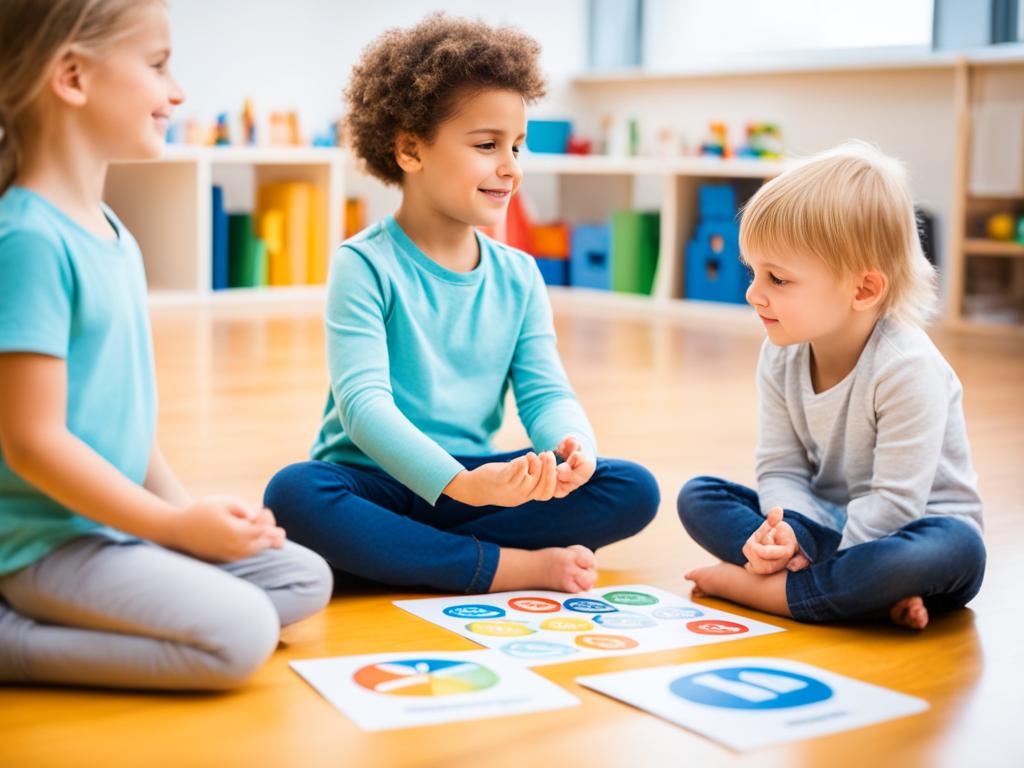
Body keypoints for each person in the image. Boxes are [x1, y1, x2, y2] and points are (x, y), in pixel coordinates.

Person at [264, 15, 659, 595]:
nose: (511, 167)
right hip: (373, 477)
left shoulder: (520, 275)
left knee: (630, 486)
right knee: (294, 494)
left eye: (517, 146)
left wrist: (572, 449)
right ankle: (506, 565)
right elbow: (362, 406)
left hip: (478, 484)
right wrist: (456, 484)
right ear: (409, 149)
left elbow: (546, 392)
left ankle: (415, 556)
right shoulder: (364, 263)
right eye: (487, 145)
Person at [0, 0, 331, 690]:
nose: (177, 91)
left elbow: (130, 429)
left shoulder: (114, 234)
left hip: (115, 529)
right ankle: (15, 640)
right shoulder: (29, 239)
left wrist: (184, 515)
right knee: (241, 634)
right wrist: (174, 531)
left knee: (304, 578)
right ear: (72, 76)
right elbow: (31, 441)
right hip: (43, 547)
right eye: (157, 66)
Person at [678, 142, 985, 630]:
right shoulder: (780, 351)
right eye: (753, 271)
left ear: (863, 289)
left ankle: (768, 592)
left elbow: (896, 502)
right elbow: (780, 466)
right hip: (823, 527)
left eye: (777, 278)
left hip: (911, 534)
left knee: (954, 549)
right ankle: (861, 594)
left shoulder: (907, 366)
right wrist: (790, 532)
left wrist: (803, 553)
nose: (753, 293)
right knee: (698, 497)